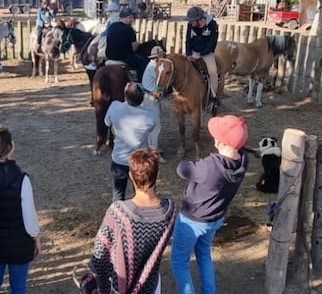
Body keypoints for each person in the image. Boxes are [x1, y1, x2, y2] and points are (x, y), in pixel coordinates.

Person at [170, 115, 249, 294]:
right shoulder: (243, 161)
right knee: (204, 254)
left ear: (221, 143)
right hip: (216, 218)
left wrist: (196, 162)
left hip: (192, 220)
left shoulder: (210, 167)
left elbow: (182, 169)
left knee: (179, 263)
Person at [80, 148, 176, 294]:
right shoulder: (170, 209)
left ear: (131, 176)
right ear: (158, 174)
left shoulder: (118, 212)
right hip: (151, 285)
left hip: (120, 286)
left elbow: (99, 254)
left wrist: (101, 287)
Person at [0, 125, 42, 294]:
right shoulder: (21, 179)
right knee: (18, 287)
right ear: (10, 148)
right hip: (18, 244)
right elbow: (29, 215)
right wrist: (36, 236)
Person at [104, 82, 156, 201]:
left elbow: (107, 122)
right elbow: (151, 129)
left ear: (125, 97)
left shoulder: (115, 106)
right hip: (140, 161)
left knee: (118, 194)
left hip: (119, 159)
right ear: (142, 99)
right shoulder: (150, 114)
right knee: (142, 193)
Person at [185, 6, 220, 108]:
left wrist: (200, 54)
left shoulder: (212, 25)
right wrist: (188, 54)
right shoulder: (191, 25)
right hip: (193, 51)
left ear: (199, 19)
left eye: (192, 21)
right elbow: (188, 40)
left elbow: (212, 43)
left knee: (212, 71)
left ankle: (214, 97)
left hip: (206, 52)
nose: (190, 23)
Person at [105, 7, 148, 80]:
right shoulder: (129, 29)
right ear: (124, 18)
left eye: (132, 18)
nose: (132, 20)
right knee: (144, 63)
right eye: (130, 18)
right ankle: (140, 83)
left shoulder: (112, 26)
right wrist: (137, 44)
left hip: (109, 55)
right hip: (123, 56)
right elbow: (134, 48)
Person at [140, 46, 166, 163]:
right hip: (151, 98)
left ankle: (151, 149)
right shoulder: (154, 68)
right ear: (157, 57)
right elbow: (162, 80)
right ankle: (154, 153)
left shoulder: (150, 66)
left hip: (148, 97)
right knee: (155, 127)